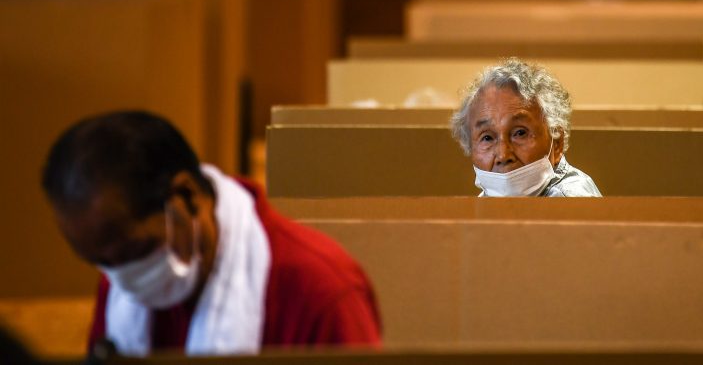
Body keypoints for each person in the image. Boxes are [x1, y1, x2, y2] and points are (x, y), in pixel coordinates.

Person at [41, 111, 381, 356]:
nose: (126, 279)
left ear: (186, 198)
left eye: (136, 252)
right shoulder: (122, 290)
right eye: (100, 262)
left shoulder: (320, 289)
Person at [450, 57, 601, 197]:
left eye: (520, 133)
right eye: (487, 138)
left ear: (557, 143)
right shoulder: (489, 200)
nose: (503, 155)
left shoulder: (569, 203)